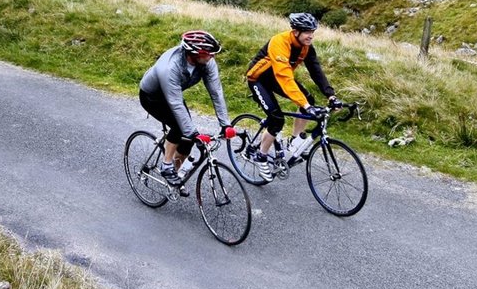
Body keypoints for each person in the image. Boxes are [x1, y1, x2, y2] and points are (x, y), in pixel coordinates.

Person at [244, 12, 341, 180]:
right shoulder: (279, 42)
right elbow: (285, 78)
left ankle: (294, 140)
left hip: (277, 78)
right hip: (259, 80)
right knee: (277, 119)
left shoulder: (306, 46)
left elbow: (316, 70)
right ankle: (261, 156)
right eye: (307, 32)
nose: (311, 36)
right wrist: (306, 107)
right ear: (296, 31)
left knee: (308, 98)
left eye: (313, 32)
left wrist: (331, 95)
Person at [138, 30, 233, 193]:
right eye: (208, 54)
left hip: (173, 94)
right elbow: (175, 104)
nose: (212, 57)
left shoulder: (206, 62)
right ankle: (166, 166)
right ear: (194, 54)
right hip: (152, 97)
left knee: (188, 139)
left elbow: (216, 92)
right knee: (178, 127)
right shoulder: (170, 67)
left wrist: (226, 124)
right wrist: (192, 133)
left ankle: (175, 173)